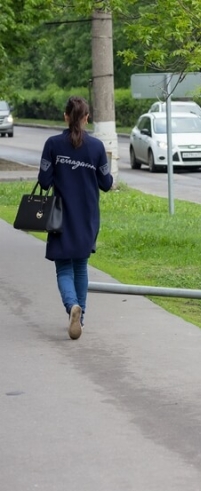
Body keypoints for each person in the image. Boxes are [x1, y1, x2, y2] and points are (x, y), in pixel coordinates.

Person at [38, 96, 114, 340]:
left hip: (61, 217)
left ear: (66, 116)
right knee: (81, 266)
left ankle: (72, 306)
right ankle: (79, 318)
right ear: (86, 118)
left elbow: (44, 180)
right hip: (88, 217)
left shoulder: (53, 144)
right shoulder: (97, 147)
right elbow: (106, 183)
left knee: (64, 268)